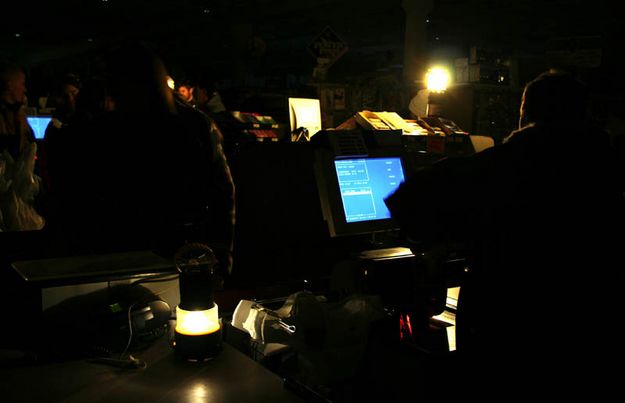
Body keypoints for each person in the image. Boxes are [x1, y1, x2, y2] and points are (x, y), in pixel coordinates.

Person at [384, 70, 625, 397]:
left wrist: (440, 241)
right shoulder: (609, 167)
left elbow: (409, 200)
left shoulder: (504, 164)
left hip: (503, 327)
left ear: (524, 116)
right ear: (585, 115)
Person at [52, 44, 235, 276]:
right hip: (185, 249)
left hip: (130, 248)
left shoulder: (107, 129)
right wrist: (222, 252)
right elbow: (223, 192)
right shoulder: (196, 125)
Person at [0, 59, 44, 231]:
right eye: (22, 84)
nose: (25, 89)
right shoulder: (11, 117)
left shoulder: (18, 114)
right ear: (10, 85)